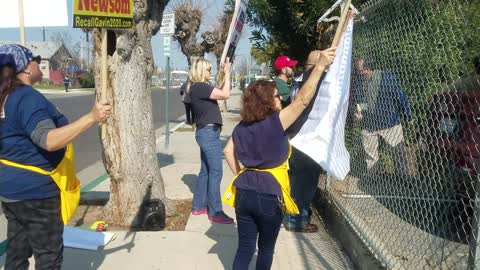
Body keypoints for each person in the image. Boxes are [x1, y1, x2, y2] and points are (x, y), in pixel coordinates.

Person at [0, 44, 112, 270]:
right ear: (26, 69)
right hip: (37, 194)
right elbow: (49, 140)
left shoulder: (6, 97)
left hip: (11, 193)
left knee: (16, 252)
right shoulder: (26, 97)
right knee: (48, 256)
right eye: (35, 59)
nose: (38, 63)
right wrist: (91, 117)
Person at [223, 48, 336, 270]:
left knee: (244, 247)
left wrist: (243, 174)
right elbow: (302, 100)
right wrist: (320, 67)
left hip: (243, 192)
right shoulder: (276, 123)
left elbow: (228, 151)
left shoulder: (241, 127)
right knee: (265, 248)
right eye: (276, 96)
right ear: (266, 101)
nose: (280, 99)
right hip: (269, 195)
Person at [283, 51, 328, 233]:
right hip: (309, 137)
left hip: (295, 134)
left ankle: (295, 214)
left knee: (298, 179)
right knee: (306, 182)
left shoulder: (299, 79)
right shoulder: (315, 80)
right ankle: (296, 220)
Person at [189, 57, 233, 224]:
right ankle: (215, 212)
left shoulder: (199, 88)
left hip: (206, 132)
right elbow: (225, 94)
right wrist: (228, 74)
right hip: (208, 133)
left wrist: (223, 73)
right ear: (201, 71)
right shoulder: (200, 87)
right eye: (208, 69)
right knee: (216, 172)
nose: (210, 71)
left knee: (206, 171)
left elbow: (219, 90)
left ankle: (199, 206)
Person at [355, 59, 412, 177]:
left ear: (367, 69)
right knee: (370, 154)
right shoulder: (360, 82)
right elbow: (361, 101)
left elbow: (400, 97)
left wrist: (408, 116)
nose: (359, 73)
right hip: (368, 124)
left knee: (398, 152)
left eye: (360, 71)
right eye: (358, 71)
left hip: (390, 123)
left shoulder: (386, 78)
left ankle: (403, 177)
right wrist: (360, 111)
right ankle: (373, 176)